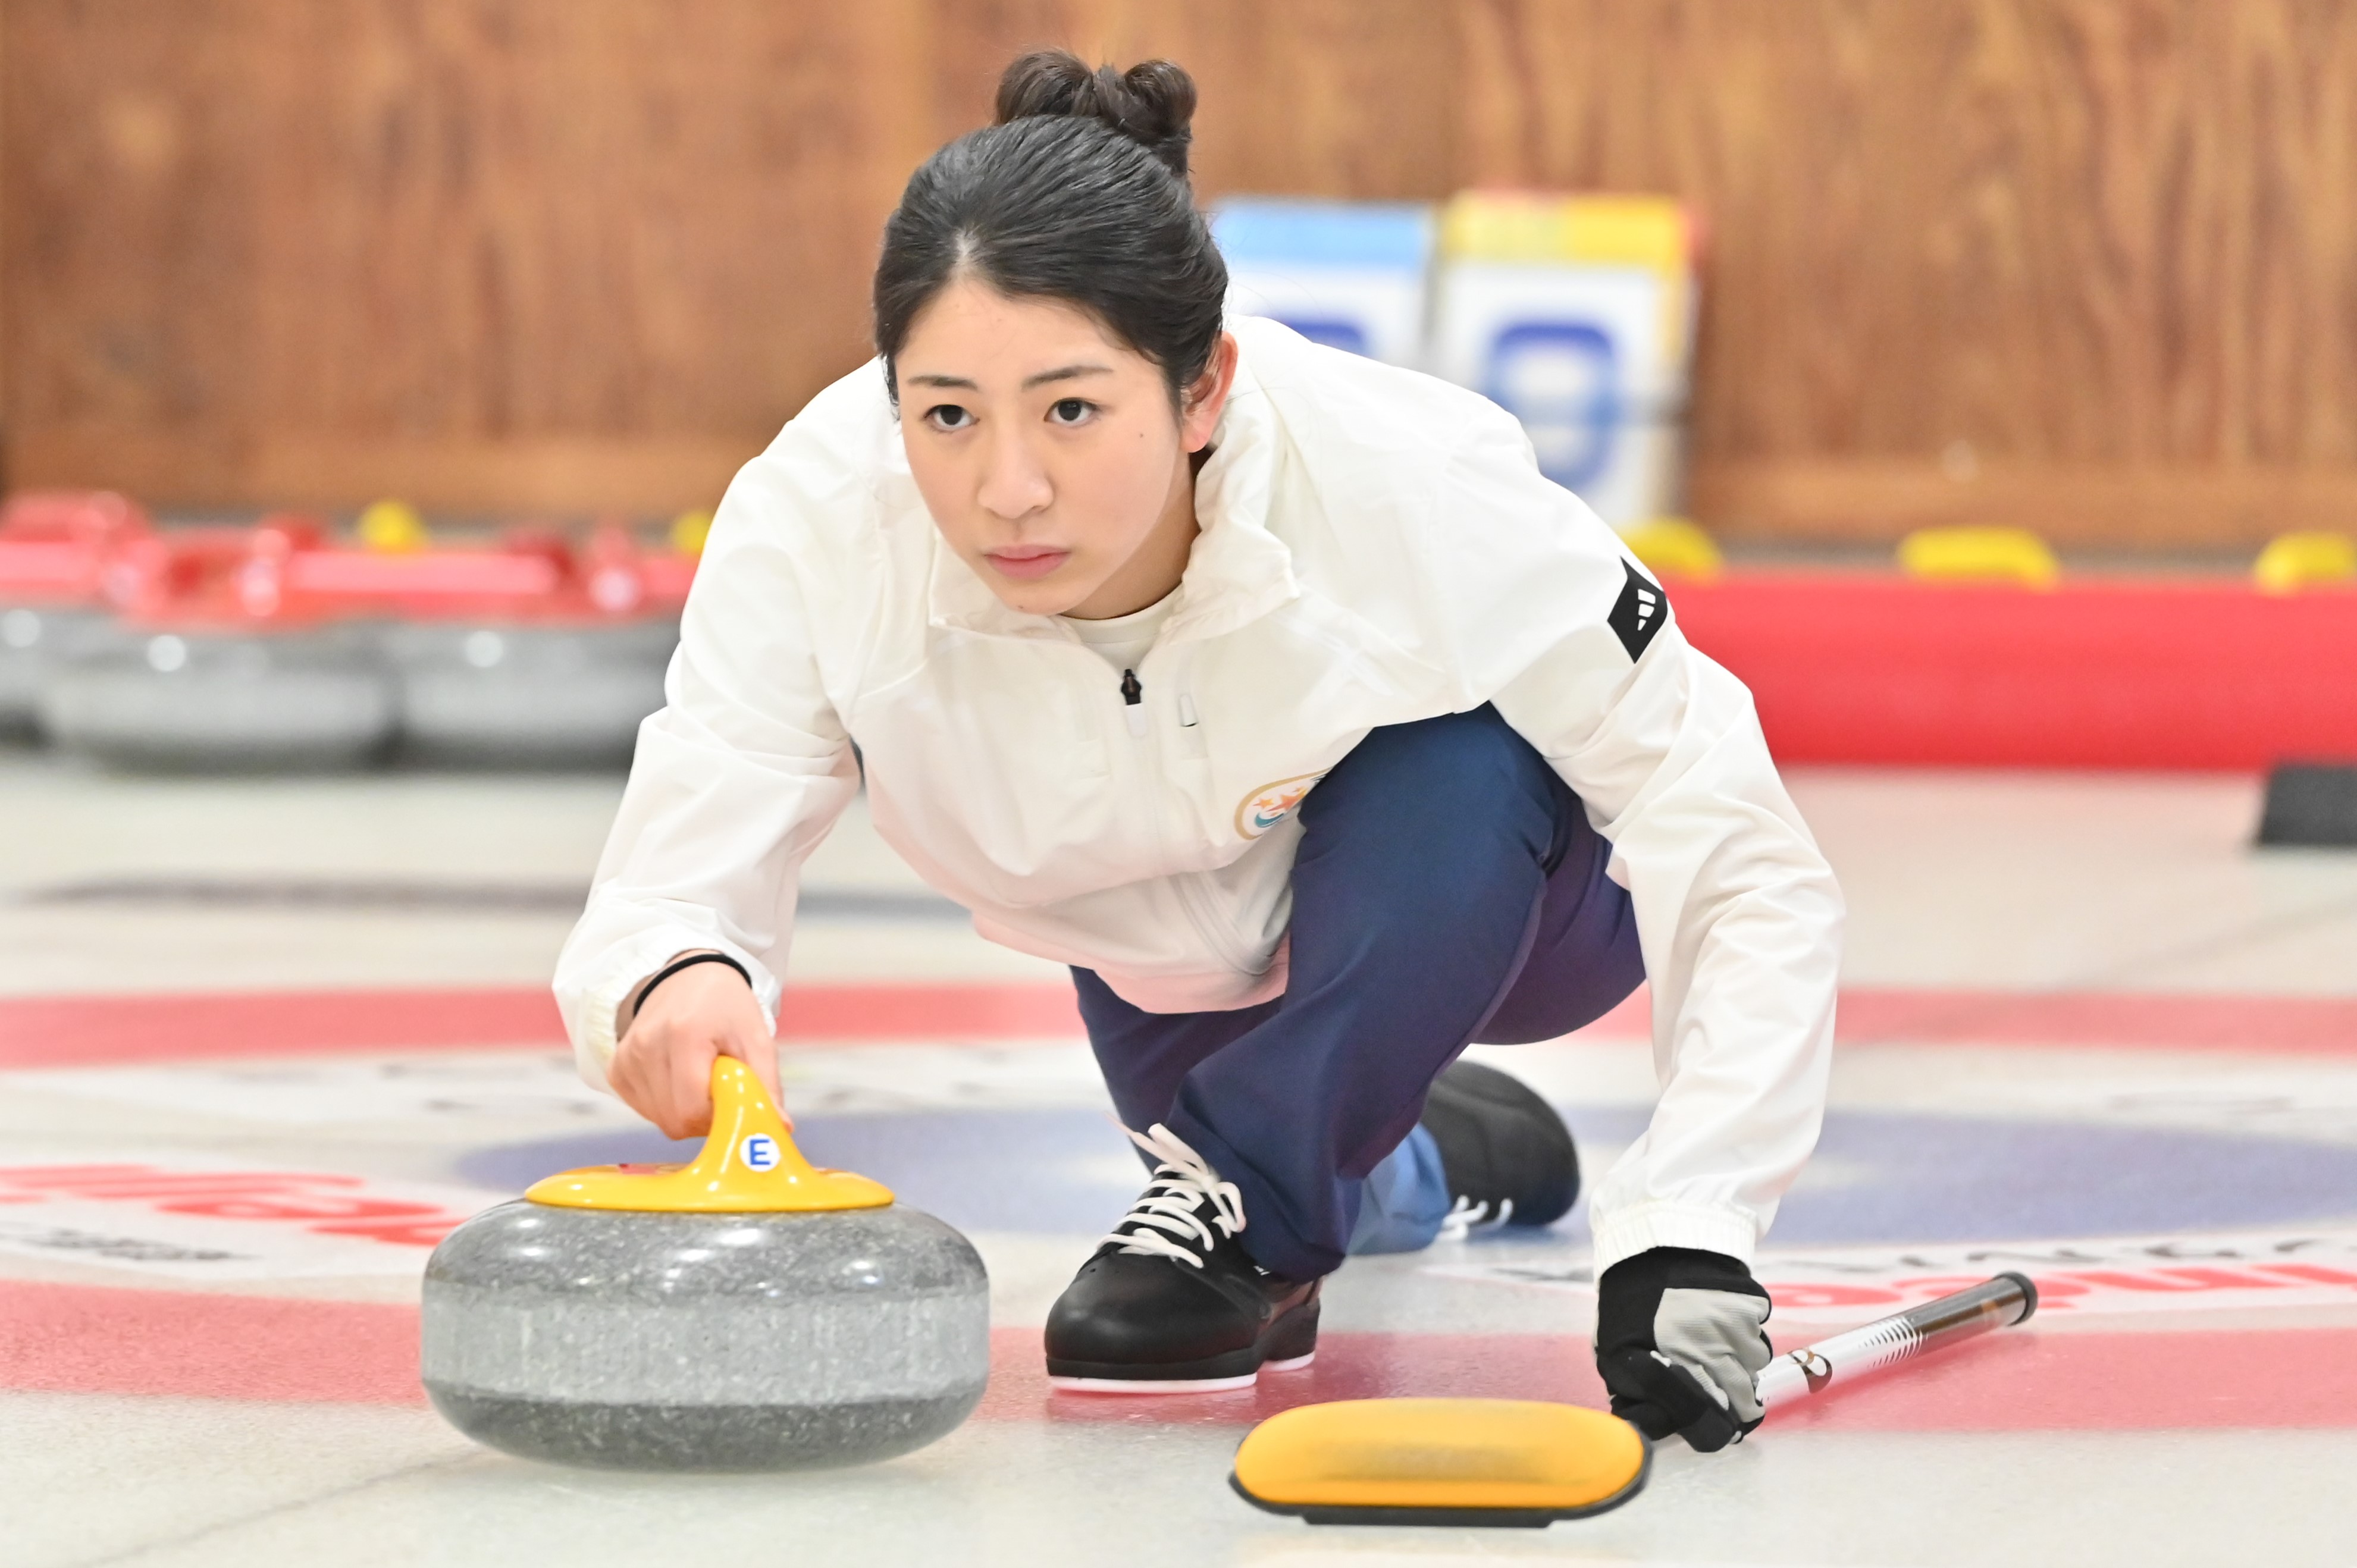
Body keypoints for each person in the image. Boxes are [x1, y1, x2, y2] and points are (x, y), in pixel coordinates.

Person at [554, 51, 1842, 1452]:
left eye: (1070, 409)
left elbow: (1727, 831)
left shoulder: (1403, 484)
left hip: (1521, 906)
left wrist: (1691, 1225)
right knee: (1291, 1144)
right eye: (945, 415)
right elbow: (694, 830)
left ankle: (1266, 1174)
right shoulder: (814, 516)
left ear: (1201, 389)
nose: (1006, 488)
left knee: (1449, 777)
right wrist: (672, 976)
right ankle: (1396, 1144)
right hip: (1164, 948)